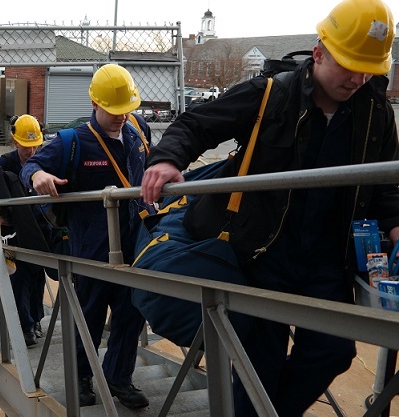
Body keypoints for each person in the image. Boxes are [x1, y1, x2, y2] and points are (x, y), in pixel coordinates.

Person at [139, 1, 398, 414]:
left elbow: (387, 184)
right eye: (349, 65)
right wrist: (167, 159)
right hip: (263, 253)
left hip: (327, 261)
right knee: (259, 361)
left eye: (369, 68)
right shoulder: (270, 95)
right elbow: (196, 124)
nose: (358, 78)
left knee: (333, 352)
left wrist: (396, 223)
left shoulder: (375, 112)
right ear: (319, 53)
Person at [21, 63, 152, 409]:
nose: (121, 117)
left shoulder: (138, 132)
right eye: (114, 111)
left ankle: (118, 378)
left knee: (131, 314)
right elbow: (30, 166)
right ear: (94, 103)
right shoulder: (72, 142)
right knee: (89, 316)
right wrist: (37, 177)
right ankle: (82, 377)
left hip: (135, 245)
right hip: (92, 250)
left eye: (126, 110)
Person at [0, 115, 48, 347]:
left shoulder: (42, 162)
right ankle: (25, 326)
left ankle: (35, 319)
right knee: (19, 277)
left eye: (36, 145)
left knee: (37, 276)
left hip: (37, 229)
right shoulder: (3, 164)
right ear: (16, 143)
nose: (32, 150)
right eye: (27, 146)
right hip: (14, 233)